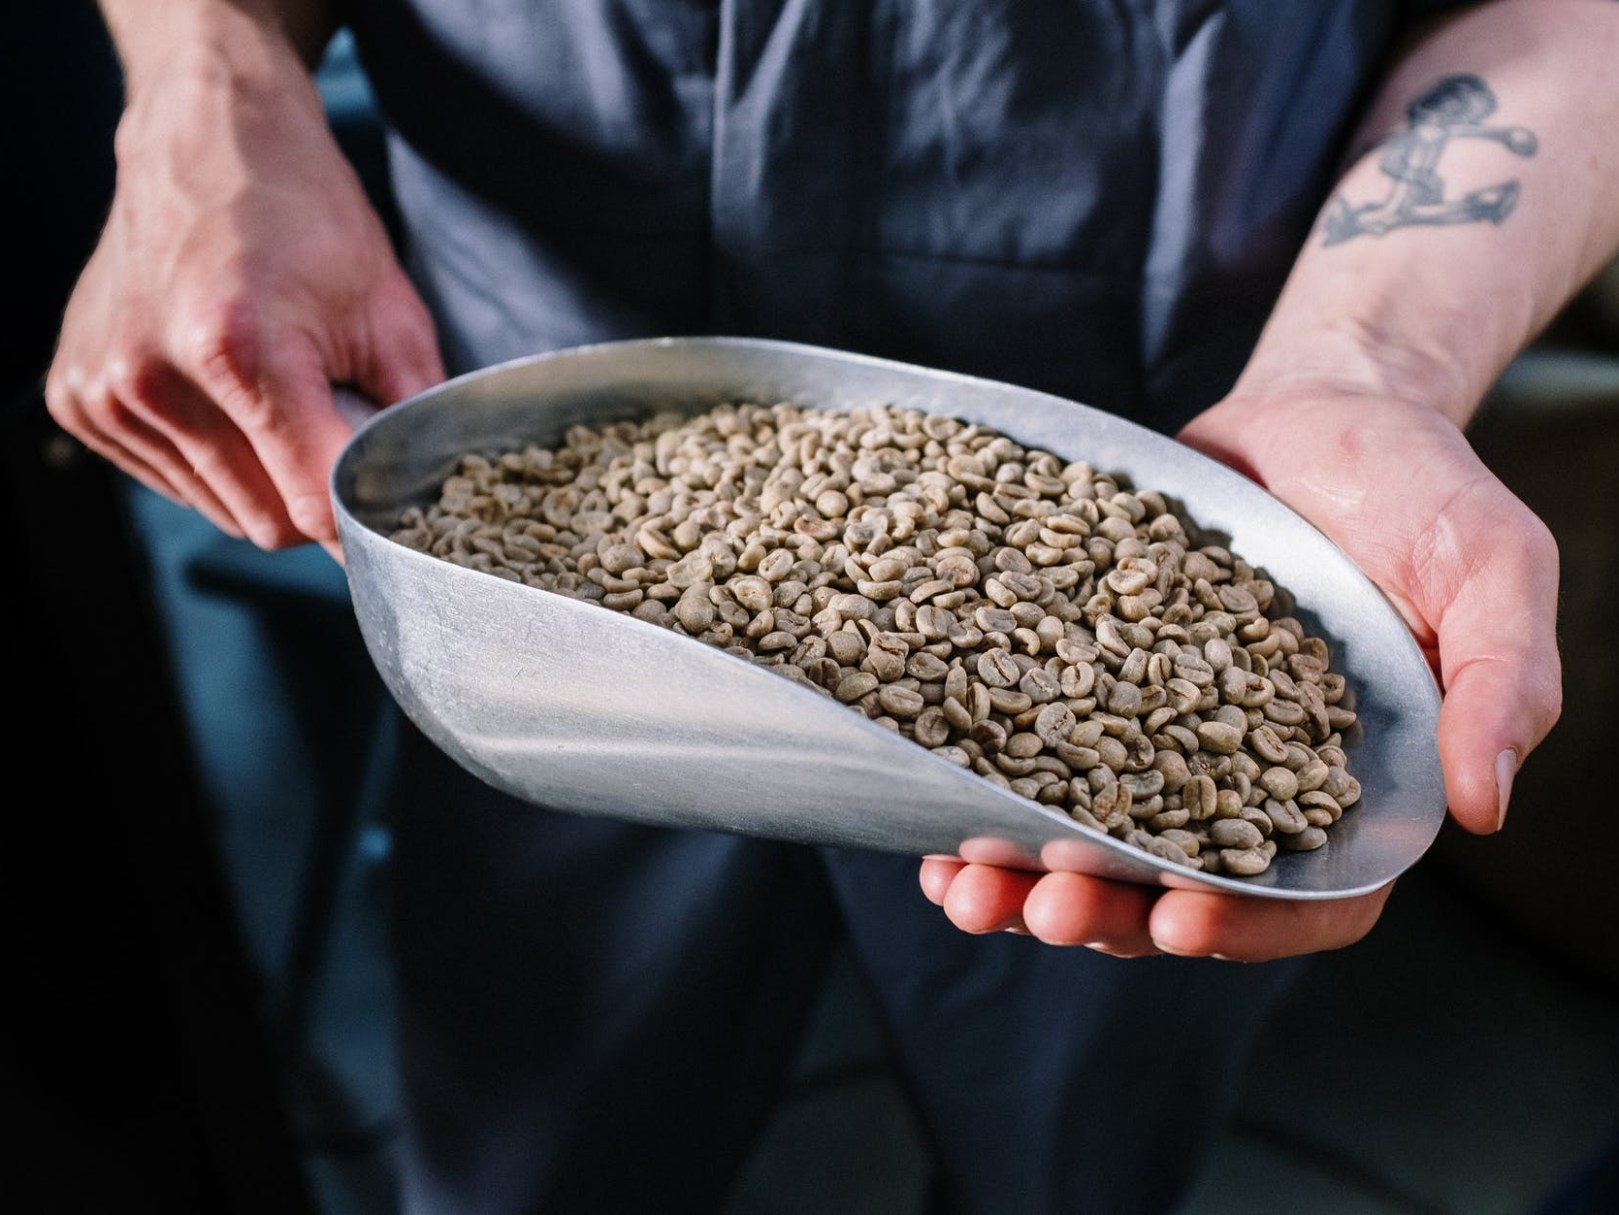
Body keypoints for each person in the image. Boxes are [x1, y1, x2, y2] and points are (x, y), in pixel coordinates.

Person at [45, 1, 1618, 1212]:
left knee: (1069, 1150)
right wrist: (209, 90)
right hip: (553, 495)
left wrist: (1371, 364)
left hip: (1192, 436)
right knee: (532, 1126)